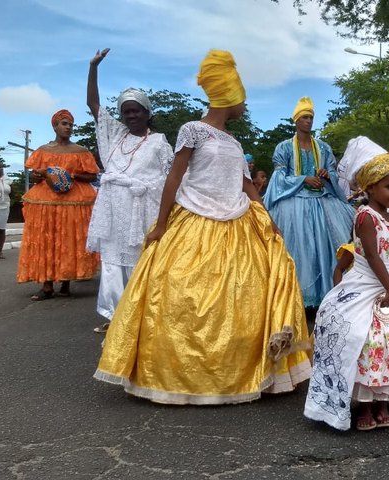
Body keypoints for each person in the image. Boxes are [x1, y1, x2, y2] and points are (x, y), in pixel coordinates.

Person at [93, 50, 311, 405]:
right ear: (232, 96)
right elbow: (174, 177)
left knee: (247, 293)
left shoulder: (234, 142)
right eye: (243, 99)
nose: (245, 106)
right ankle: (178, 374)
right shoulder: (192, 130)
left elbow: (246, 185)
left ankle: (238, 371)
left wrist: (269, 220)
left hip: (238, 222)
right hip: (192, 220)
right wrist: (160, 225)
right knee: (181, 293)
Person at [304, 151, 389, 431]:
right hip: (367, 285)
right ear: (370, 188)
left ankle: (383, 402)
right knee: (365, 338)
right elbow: (374, 256)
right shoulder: (365, 216)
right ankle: (364, 405)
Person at [86, 48, 174, 333]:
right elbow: (94, 104)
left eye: (136, 110)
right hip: (113, 210)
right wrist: (93, 67)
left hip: (143, 210)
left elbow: (172, 178)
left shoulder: (159, 141)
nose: (131, 115)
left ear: (148, 113)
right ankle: (114, 316)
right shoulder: (114, 135)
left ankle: (141, 315)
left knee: (141, 263)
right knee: (112, 263)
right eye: (126, 111)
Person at [263, 96, 354, 308]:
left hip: (322, 203)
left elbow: (333, 172)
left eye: (311, 117)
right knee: (300, 249)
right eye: (304, 117)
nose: (308, 121)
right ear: (296, 120)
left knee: (326, 247)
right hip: (294, 204)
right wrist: (303, 178)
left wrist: (327, 174)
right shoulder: (284, 148)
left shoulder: (323, 147)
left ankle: (327, 296)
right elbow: (278, 178)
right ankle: (297, 299)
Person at [17, 110, 100, 300]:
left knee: (68, 240)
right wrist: (41, 175)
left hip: (73, 201)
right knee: (47, 240)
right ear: (55, 126)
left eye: (70, 124)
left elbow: (93, 175)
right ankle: (47, 286)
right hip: (47, 201)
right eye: (64, 124)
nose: (68, 127)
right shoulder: (43, 150)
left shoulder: (81, 151)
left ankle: (65, 283)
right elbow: (35, 176)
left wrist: (72, 175)